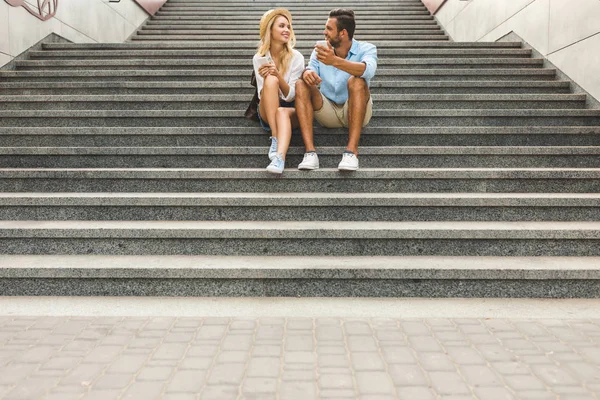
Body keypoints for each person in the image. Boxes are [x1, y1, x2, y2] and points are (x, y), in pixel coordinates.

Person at [295, 8, 377, 171]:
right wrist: (308, 73)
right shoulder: (320, 50)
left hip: (355, 110)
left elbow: (368, 70)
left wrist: (335, 61)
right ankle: (310, 153)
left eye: (329, 29)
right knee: (300, 83)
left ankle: (351, 153)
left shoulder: (366, 49)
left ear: (343, 33)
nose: (324, 32)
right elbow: (310, 67)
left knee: (357, 81)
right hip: (328, 111)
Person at [253, 8, 305, 174]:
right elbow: (263, 94)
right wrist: (273, 77)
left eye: (288, 26)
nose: (287, 30)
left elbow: (291, 96)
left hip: (290, 109)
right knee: (270, 80)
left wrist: (278, 75)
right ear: (270, 30)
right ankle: (275, 138)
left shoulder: (297, 57)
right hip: (267, 108)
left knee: (274, 79)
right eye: (282, 26)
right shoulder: (259, 58)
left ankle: (278, 154)